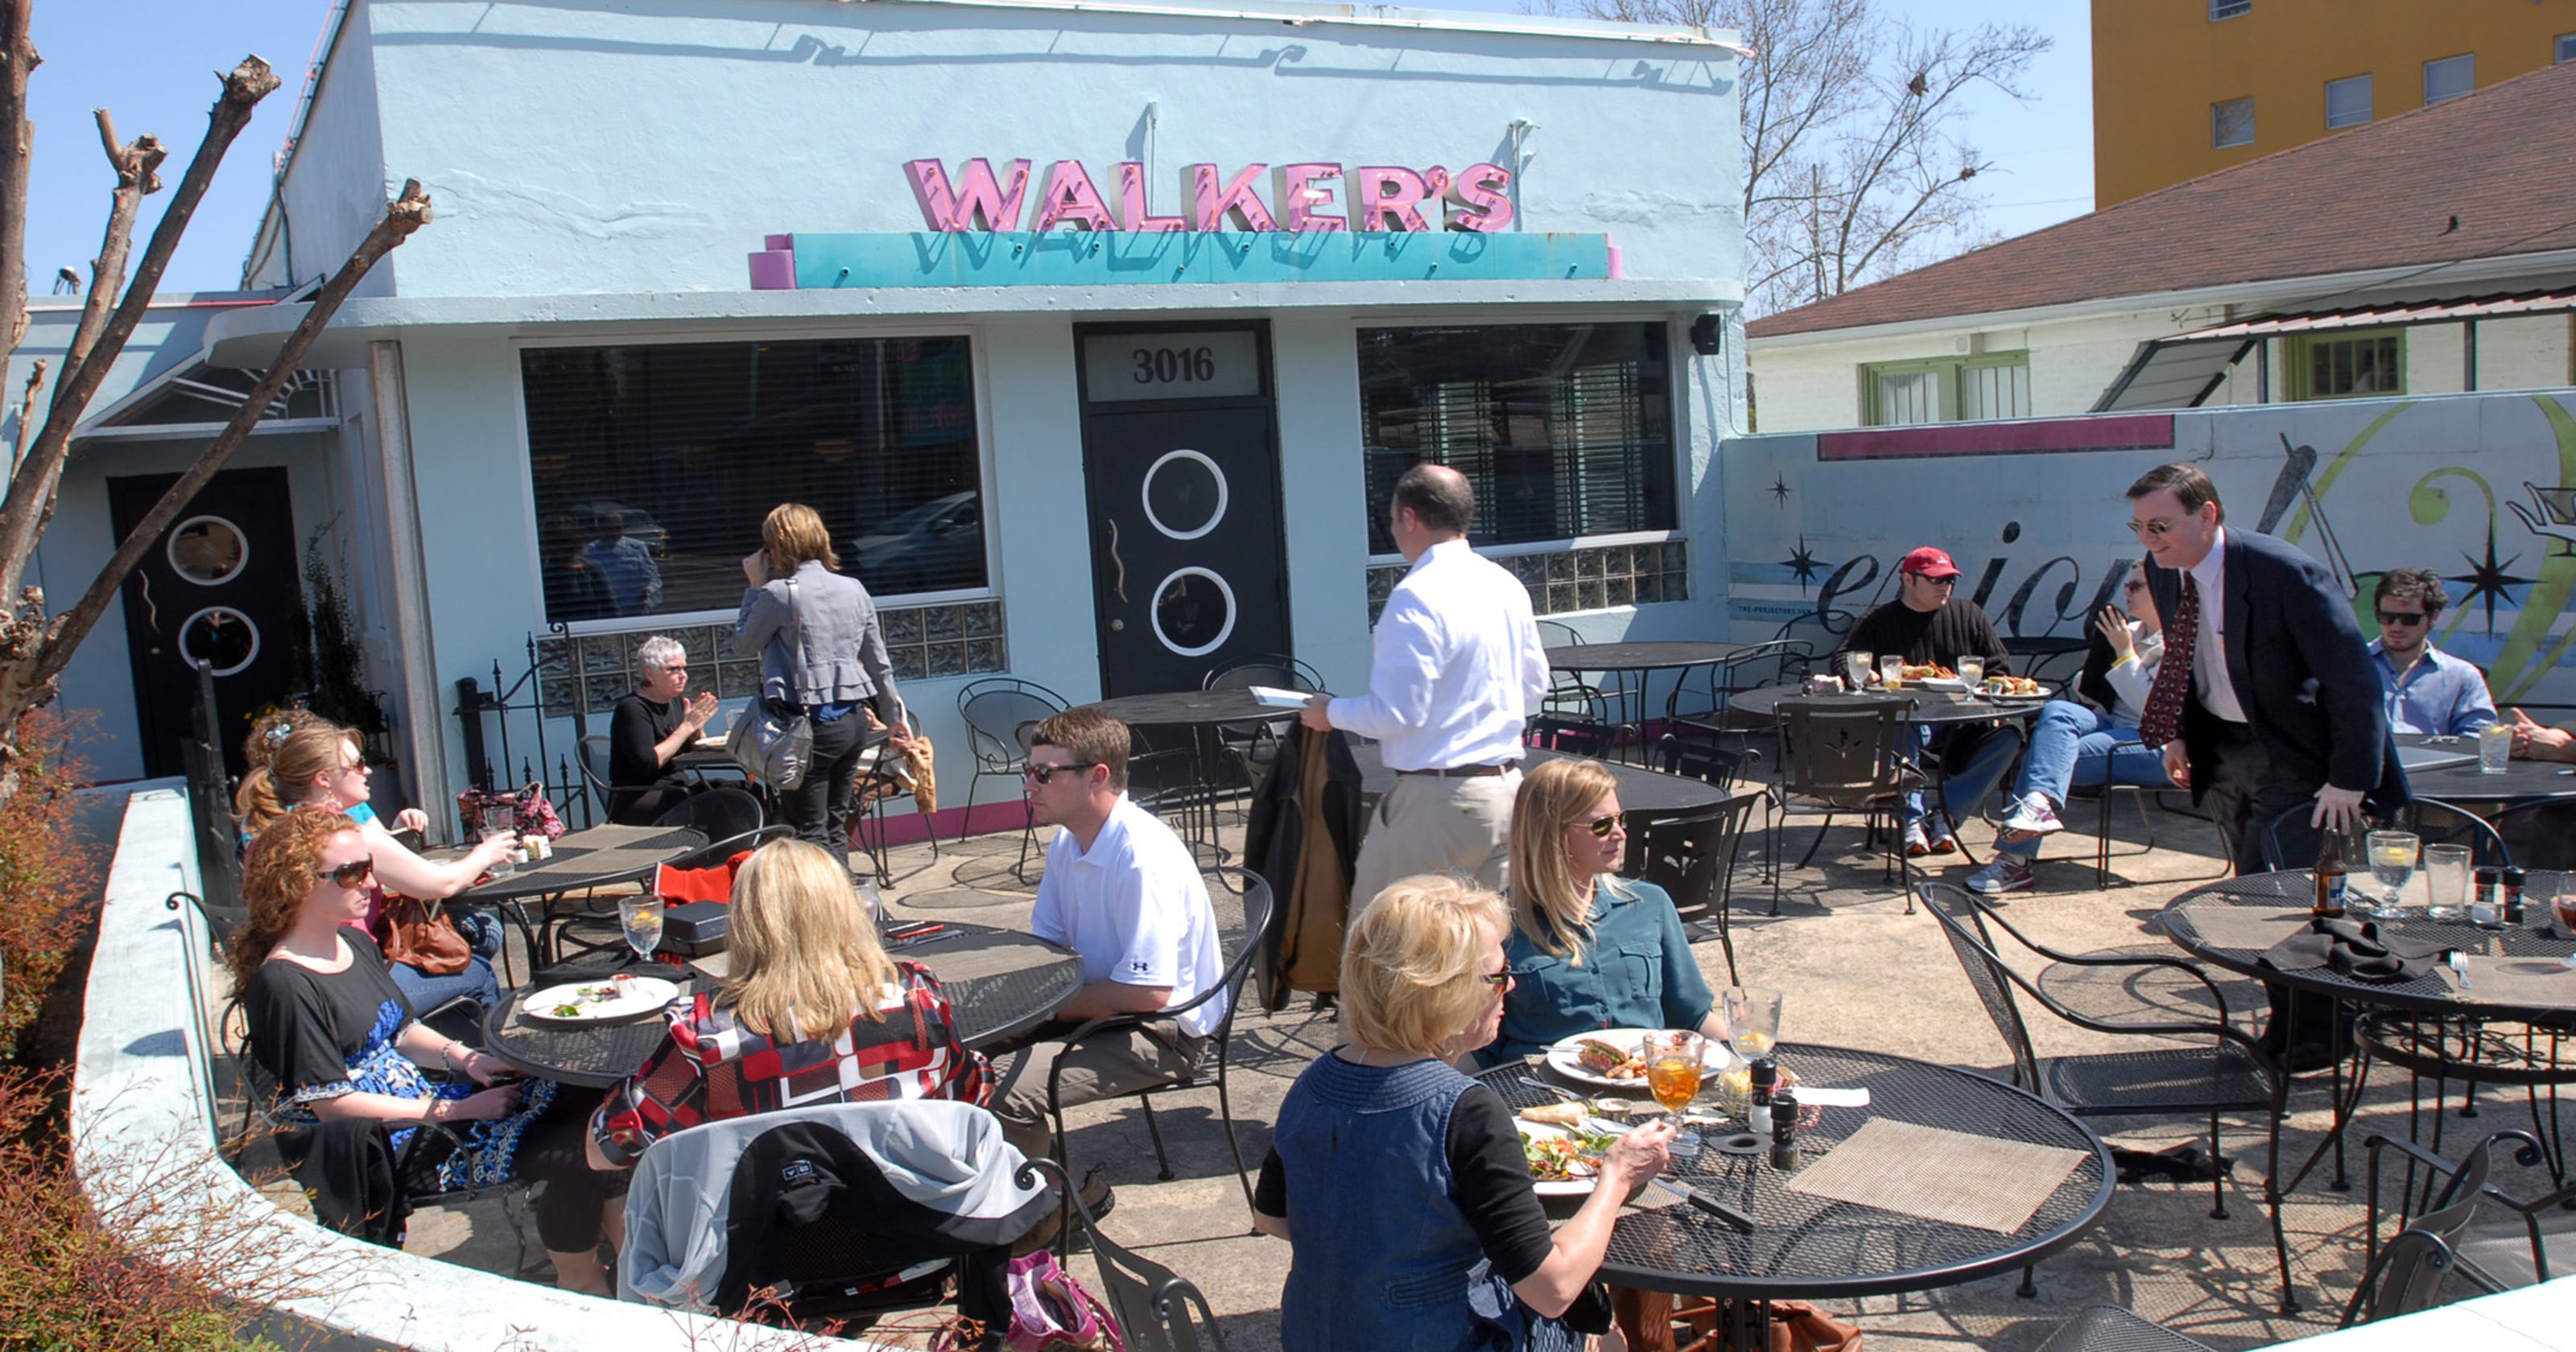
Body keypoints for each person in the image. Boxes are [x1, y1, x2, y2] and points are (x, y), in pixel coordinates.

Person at [1253, 875, 1675, 1352]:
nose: (1511, 985)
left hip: (1318, 1336)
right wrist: (1617, 1177)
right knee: (1613, 1340)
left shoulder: (1314, 1082)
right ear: (1443, 991)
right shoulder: (1465, 1110)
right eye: (1497, 975)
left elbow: (1272, 1217)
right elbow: (1553, 1289)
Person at [236, 806, 623, 1289]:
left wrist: (468, 1059)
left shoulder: (351, 945)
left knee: (595, 1102)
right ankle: (582, 1283)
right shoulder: (284, 983)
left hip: (435, 1106)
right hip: (400, 1144)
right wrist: (451, 1109)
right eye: (352, 873)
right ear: (296, 883)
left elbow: (400, 1030)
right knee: (578, 1154)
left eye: (369, 868)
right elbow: (329, 1104)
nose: (373, 885)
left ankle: (631, 1265)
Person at [2127, 463, 2406, 1070]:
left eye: (2160, 526)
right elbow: (2186, 656)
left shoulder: (2285, 572)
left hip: (2296, 755)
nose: (2149, 540)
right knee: (2250, 895)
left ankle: (2322, 1032)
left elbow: (2354, 680)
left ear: (2208, 515)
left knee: (2281, 893)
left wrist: (2351, 776)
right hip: (2223, 749)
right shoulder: (2166, 569)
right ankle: (2288, 1023)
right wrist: (2176, 734)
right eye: (2139, 528)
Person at [588, 839, 987, 1170]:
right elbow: (969, 1097)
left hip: (766, 1254)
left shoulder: (708, 1034)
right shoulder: (917, 995)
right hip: (914, 1239)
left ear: (742, 922)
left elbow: (614, 1147)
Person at [989, 708, 1225, 1210]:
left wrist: (1046, 1013)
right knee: (955, 1058)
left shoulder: (1140, 855)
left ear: (1097, 776)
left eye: (1043, 774)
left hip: (1162, 1033)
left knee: (1000, 1092)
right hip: (1108, 1012)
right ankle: (1016, 1189)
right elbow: (1046, 950)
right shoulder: (1067, 843)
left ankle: (1069, 1200)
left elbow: (1148, 992)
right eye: (1027, 772)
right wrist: (1011, 1012)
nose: (1029, 785)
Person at [1300, 464, 1549, 907]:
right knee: (1481, 954)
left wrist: (1329, 713)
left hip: (1438, 804)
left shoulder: (1416, 595)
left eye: (1394, 520)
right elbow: (1533, 689)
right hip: (1507, 794)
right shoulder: (1506, 585)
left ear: (1410, 518)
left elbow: (1396, 713)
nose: (1394, 531)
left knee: (1383, 945)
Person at [237, 719, 518, 1016]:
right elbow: (441, 884)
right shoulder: (344, 837)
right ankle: (477, 1059)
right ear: (324, 779)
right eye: (357, 765)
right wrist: (486, 853)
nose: (368, 770)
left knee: (474, 936)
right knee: (479, 972)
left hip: (298, 980)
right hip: (351, 984)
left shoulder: (272, 835)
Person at [1477, 757, 1724, 1066]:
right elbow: (1478, 1047)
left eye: (1621, 820)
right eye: (1602, 825)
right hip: (1540, 1092)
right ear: (1552, 834)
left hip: (1644, 1084)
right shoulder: (1498, 926)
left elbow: (1693, 1015)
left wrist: (1754, 1052)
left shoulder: (1649, 905)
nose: (1621, 834)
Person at [1965, 563, 2179, 895]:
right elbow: (2087, 691)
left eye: (2136, 586)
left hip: (2160, 742)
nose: (2127, 592)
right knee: (2059, 710)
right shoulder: (2128, 630)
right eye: (2128, 586)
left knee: (2048, 757)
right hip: (2113, 724)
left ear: (2162, 592)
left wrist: (2124, 653)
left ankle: (2015, 859)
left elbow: (2155, 709)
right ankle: (2036, 804)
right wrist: (2099, 667)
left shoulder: (2180, 641)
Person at [733, 502, 910, 867]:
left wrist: (753, 587)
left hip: (808, 725)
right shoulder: (853, 588)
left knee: (809, 831)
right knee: (834, 825)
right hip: (853, 722)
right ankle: (846, 908)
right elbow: (879, 661)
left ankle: (832, 913)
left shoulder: (778, 593)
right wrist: (894, 716)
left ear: (777, 546)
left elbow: (743, 645)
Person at [1828, 546, 2014, 856]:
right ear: (1908, 580)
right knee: (1898, 727)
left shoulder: (1969, 614)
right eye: (1936, 580)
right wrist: (1862, 673)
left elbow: (1999, 667)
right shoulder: (1878, 619)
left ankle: (1947, 813)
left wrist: (1993, 692)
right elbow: (1844, 660)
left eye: (1949, 580)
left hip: (1963, 719)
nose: (1945, 587)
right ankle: (1911, 820)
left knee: (2010, 736)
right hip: (1910, 717)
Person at [2368, 568, 2498, 736]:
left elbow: (2476, 740)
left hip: (2435, 762)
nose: (2396, 627)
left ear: (2434, 617)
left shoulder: (2462, 676)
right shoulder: (2347, 665)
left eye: (2409, 619)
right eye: (2387, 617)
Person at [607, 635, 720, 825]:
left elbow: (692, 752)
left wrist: (697, 727)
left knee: (746, 790)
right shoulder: (632, 708)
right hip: (640, 796)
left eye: (684, 668)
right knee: (727, 802)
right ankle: (716, 853)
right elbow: (649, 762)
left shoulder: (674, 701)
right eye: (674, 669)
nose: (683, 675)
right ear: (651, 674)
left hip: (676, 788)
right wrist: (686, 727)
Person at [584, 509, 663, 616]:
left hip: (635, 609)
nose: (614, 532)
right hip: (605, 612)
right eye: (609, 528)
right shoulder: (589, 551)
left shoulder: (637, 547)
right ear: (600, 528)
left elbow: (653, 578)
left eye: (618, 528)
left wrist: (649, 590)